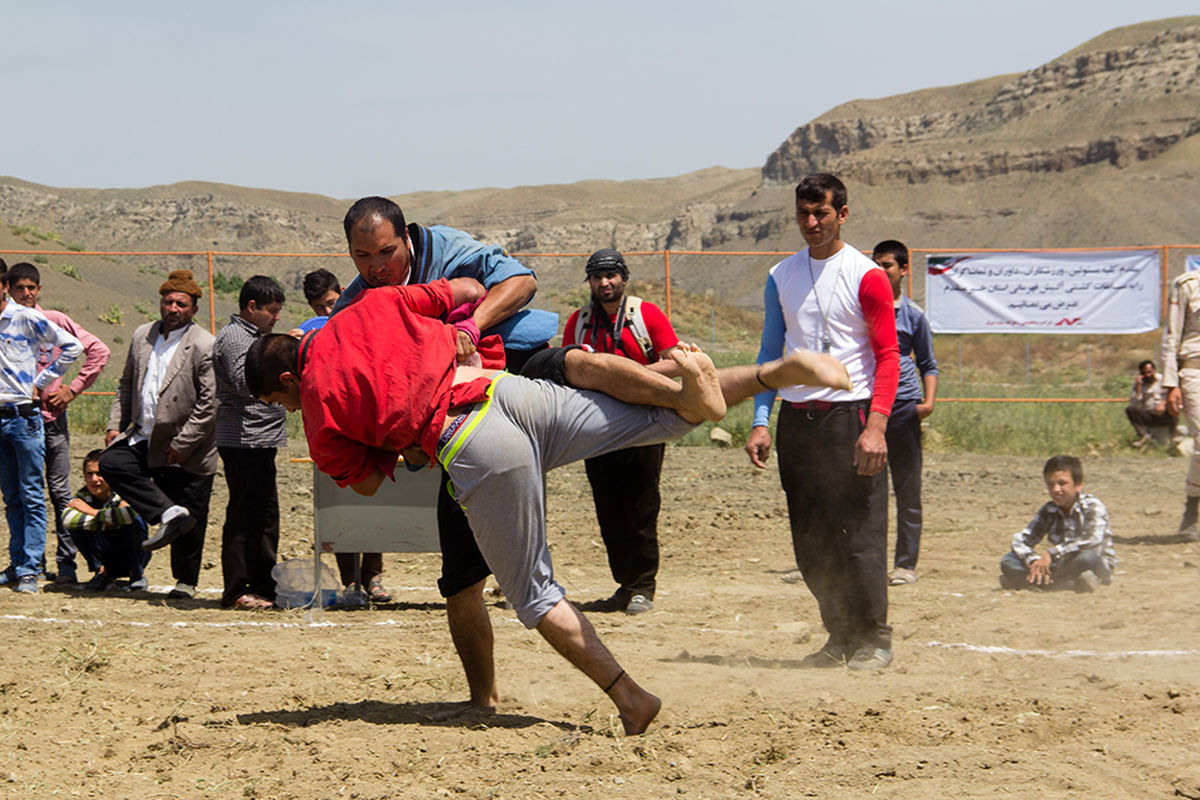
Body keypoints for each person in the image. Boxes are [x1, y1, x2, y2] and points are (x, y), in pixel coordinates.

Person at [243, 275, 851, 734]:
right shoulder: (368, 306)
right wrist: (451, 336)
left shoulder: (320, 417)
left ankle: (631, 699)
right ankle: (778, 373)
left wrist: (400, 443)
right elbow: (468, 289)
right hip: (505, 391)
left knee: (535, 595)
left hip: (471, 443)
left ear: (289, 381)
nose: (288, 412)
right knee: (664, 414)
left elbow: (375, 482)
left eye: (281, 403)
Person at [329, 196, 557, 708]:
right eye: (361, 257)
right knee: (462, 579)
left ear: (407, 237)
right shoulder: (358, 299)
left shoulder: (448, 249)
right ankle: (484, 698)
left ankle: (682, 396)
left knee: (574, 371)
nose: (375, 267)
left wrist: (470, 327)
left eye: (385, 253)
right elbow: (327, 349)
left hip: (515, 370)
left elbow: (522, 282)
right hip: (460, 433)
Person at [745, 173, 900, 671]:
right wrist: (761, 419)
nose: (811, 224)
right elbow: (771, 354)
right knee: (810, 537)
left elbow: (889, 356)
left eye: (821, 214)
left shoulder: (865, 274)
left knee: (859, 532)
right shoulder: (780, 276)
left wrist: (875, 427)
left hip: (850, 416)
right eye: (802, 214)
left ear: (843, 215)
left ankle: (874, 636)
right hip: (799, 420)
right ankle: (839, 633)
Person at [563, 248, 679, 615]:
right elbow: (565, 366)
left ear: (624, 278)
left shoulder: (646, 315)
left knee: (641, 504)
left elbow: (674, 360)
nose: (604, 283)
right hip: (596, 427)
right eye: (597, 277)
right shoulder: (578, 322)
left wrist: (633, 380)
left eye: (611, 275)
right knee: (608, 507)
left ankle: (643, 585)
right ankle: (624, 586)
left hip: (644, 424)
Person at [99, 269, 218, 599]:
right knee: (112, 462)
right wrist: (115, 424)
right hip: (144, 436)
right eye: (168, 302)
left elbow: (210, 402)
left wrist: (183, 444)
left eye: (181, 303)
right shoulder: (142, 336)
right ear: (161, 303)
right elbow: (125, 384)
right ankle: (165, 513)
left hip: (186, 445)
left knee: (191, 510)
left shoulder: (204, 344)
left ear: (193, 308)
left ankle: (185, 582)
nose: (173, 308)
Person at [6, 262, 111, 585]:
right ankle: (28, 563)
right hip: (19, 416)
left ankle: (67, 563)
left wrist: (71, 388)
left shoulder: (53, 321)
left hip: (51, 420)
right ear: (7, 288)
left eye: (32, 288)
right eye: (20, 287)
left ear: (39, 290)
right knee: (22, 493)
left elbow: (97, 350)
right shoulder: (7, 323)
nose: (26, 293)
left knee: (59, 490)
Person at [0, 261, 83, 593]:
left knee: (33, 493)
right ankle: (18, 563)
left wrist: (41, 381)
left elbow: (72, 346)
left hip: (24, 417)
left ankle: (32, 568)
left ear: (3, 285)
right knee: (11, 497)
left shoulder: (24, 316)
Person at [214, 276, 287, 610]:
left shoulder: (256, 337)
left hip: (260, 438)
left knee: (265, 514)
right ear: (252, 307)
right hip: (243, 439)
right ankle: (237, 588)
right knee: (246, 514)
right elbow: (245, 384)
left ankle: (263, 585)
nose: (276, 317)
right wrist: (282, 360)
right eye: (271, 311)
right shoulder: (234, 338)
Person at [871, 241, 938, 586]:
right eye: (876, 265)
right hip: (868, 410)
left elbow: (928, 363)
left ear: (903, 270)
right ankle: (866, 562)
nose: (881, 271)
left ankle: (905, 564)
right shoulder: (862, 311)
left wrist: (926, 403)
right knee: (867, 488)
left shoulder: (913, 316)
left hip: (903, 408)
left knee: (907, 489)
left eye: (888, 266)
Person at [999, 455, 1116, 592]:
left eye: (1062, 483)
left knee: (1087, 557)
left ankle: (1027, 582)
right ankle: (1066, 584)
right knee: (1008, 560)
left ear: (1078, 485)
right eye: (1050, 484)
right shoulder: (1049, 510)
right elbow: (1021, 540)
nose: (1055, 489)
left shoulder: (1093, 506)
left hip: (1091, 563)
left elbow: (1092, 540)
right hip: (1062, 565)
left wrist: (1051, 553)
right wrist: (1034, 560)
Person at [62, 450, 149, 592]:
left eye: (99, 474)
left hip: (129, 553)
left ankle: (137, 573)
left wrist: (92, 512)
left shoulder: (125, 491)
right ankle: (101, 572)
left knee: (137, 522)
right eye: (89, 474)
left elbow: (130, 516)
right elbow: (67, 519)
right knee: (75, 527)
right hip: (105, 554)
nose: (94, 479)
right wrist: (112, 520)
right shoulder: (83, 496)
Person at [1161, 271, 1200, 541]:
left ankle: (1192, 511)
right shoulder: (1187, 284)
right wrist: (1171, 383)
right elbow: (1171, 336)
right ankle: (1192, 513)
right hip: (1195, 372)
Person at [1125, 359, 1174, 448]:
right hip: (1149, 413)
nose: (1147, 375)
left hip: (1165, 413)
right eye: (1144, 373)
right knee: (1130, 409)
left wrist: (1163, 403)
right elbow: (1135, 403)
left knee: (1173, 407)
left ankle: (1173, 436)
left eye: (1149, 372)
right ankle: (1144, 435)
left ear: (1154, 370)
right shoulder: (1138, 384)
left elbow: (1172, 395)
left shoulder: (1163, 380)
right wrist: (1139, 386)